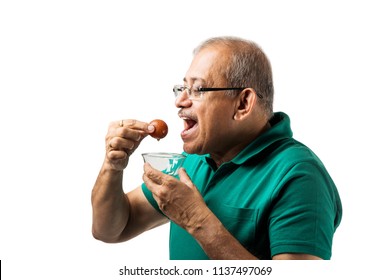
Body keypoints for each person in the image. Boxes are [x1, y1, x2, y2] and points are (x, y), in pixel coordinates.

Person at [91, 36, 342, 260]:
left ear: (243, 103)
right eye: (182, 88)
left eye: (198, 89)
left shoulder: (299, 175)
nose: (180, 101)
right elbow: (111, 229)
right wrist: (112, 166)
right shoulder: (191, 161)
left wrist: (197, 219)